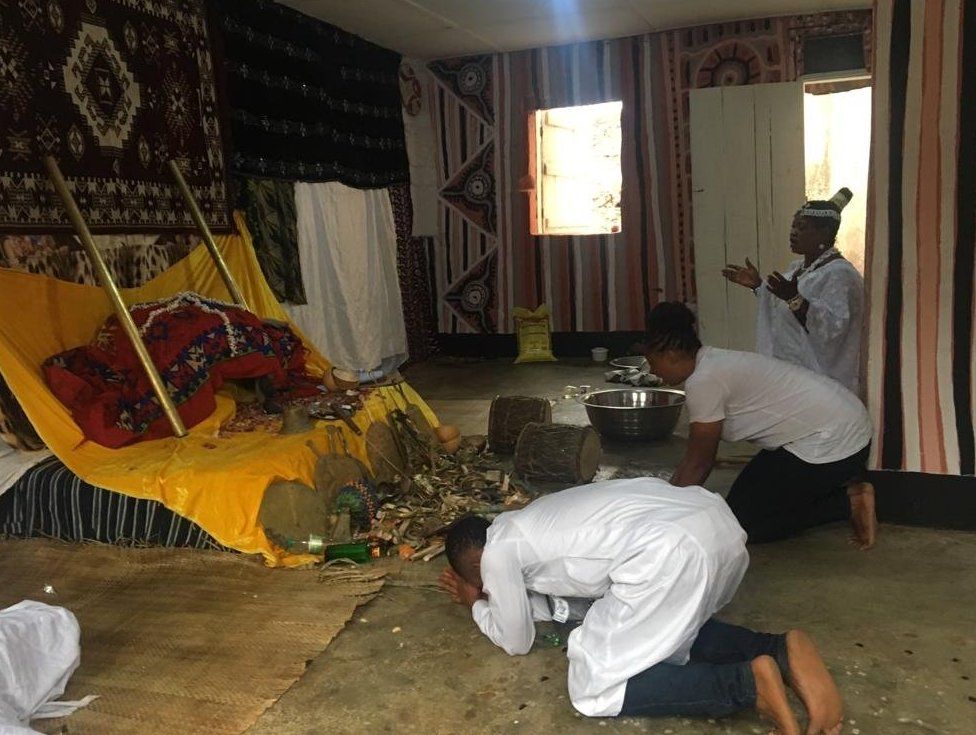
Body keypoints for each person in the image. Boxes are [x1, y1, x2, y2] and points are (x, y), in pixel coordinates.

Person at [438, 478, 844, 735]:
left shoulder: (497, 553)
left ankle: (746, 686)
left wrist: (475, 604)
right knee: (668, 627)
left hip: (667, 553)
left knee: (593, 688)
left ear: (477, 565)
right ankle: (778, 649)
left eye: (481, 581)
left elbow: (517, 640)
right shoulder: (527, 523)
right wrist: (501, 596)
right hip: (716, 526)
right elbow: (559, 598)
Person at [643, 301, 876, 549]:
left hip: (834, 442)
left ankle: (848, 502)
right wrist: (667, 498)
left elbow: (699, 462)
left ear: (671, 354)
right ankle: (834, 491)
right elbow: (693, 460)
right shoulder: (712, 361)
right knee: (743, 508)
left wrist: (664, 514)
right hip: (840, 428)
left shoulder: (703, 381)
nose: (653, 371)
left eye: (653, 363)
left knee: (742, 526)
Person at [722, 188, 864, 394]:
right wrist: (758, 286)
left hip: (821, 385)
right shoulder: (798, 268)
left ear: (824, 232)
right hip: (791, 376)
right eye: (793, 226)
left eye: (802, 227)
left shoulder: (840, 274)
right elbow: (782, 308)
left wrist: (794, 298)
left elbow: (834, 329)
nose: (793, 232)